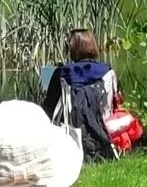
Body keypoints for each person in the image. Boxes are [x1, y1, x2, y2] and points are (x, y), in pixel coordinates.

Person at [40, 29, 134, 159]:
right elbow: (117, 102)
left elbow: (48, 109)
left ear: (72, 48)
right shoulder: (107, 71)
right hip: (103, 124)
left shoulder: (62, 73)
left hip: (71, 127)